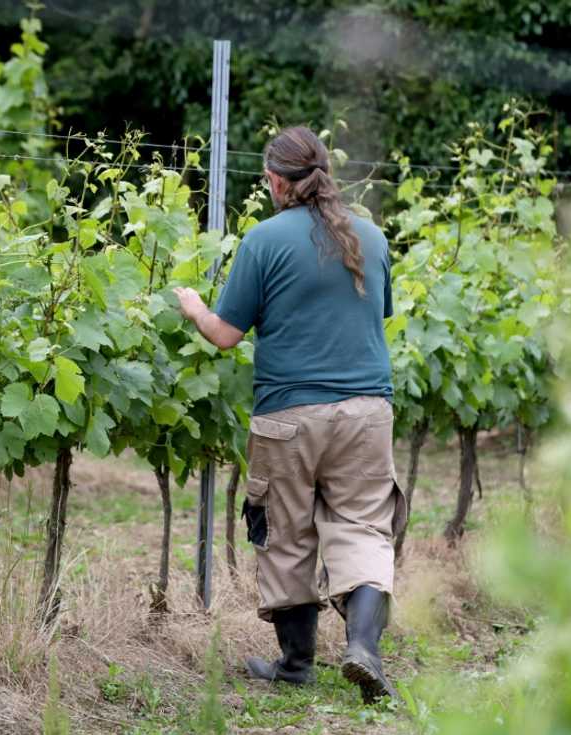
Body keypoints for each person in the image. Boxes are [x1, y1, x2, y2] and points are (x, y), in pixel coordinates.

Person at [173, 126, 406, 704]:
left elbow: (226, 336)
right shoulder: (372, 237)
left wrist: (194, 307)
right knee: (363, 527)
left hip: (289, 415)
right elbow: (380, 313)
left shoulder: (264, 239)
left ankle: (297, 663)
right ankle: (364, 650)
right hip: (366, 411)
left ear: (276, 181)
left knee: (285, 533)